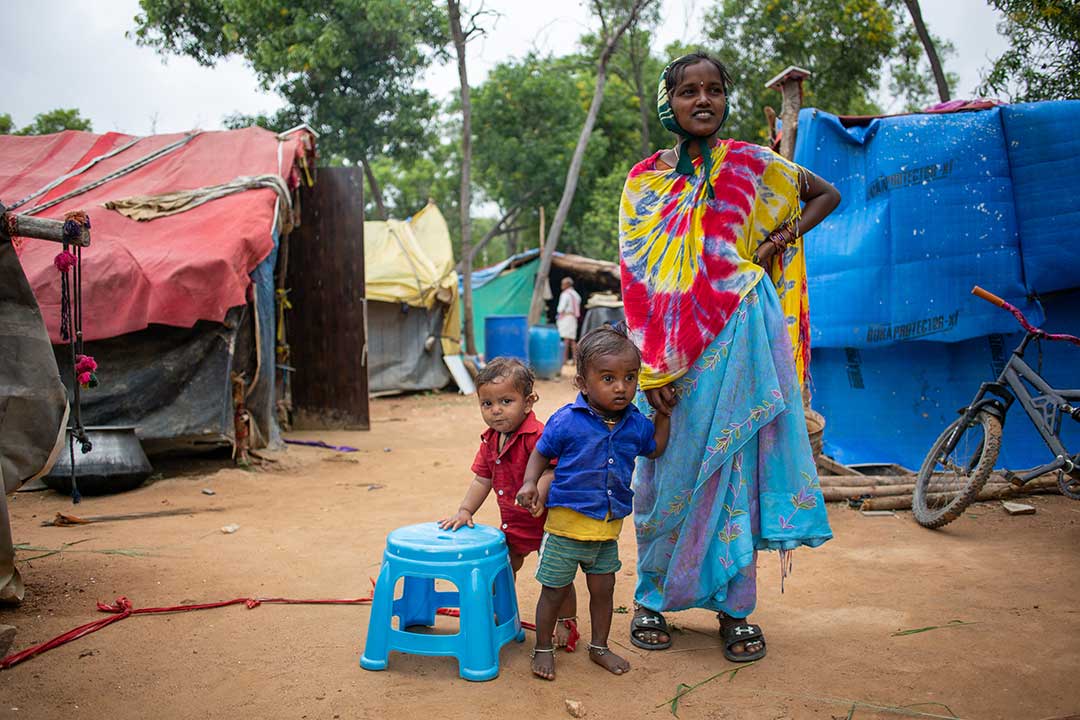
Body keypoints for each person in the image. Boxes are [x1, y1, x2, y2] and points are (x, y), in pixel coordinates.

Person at [620, 52, 839, 662]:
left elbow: (826, 195)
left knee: (734, 475)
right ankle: (652, 598)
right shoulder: (644, 181)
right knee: (666, 474)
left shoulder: (751, 163)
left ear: (725, 99)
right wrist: (653, 366)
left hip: (742, 337)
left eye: (714, 90)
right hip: (672, 357)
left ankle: (735, 611)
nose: (703, 101)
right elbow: (638, 280)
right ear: (670, 100)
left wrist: (774, 242)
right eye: (688, 91)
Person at [516, 325, 670, 680]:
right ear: (583, 383)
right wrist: (529, 483)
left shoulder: (635, 424)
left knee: (603, 592)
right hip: (565, 530)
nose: (621, 387)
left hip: (605, 533)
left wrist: (664, 414)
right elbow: (541, 453)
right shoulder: (567, 422)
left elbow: (656, 449)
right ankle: (542, 648)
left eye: (629, 377)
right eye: (608, 378)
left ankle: (599, 646)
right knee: (553, 593)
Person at [439, 357, 579, 649]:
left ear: (528, 402)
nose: (496, 410)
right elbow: (482, 479)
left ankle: (567, 620)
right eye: (487, 404)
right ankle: (501, 611)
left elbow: (553, 469)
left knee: (557, 578)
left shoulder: (538, 435)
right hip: (514, 523)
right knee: (504, 568)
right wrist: (465, 510)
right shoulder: (490, 439)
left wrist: (539, 493)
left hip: (547, 522)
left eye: (506, 401)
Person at [556, 277, 582, 365]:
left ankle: (564, 359)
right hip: (573, 318)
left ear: (567, 284)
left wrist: (559, 313)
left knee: (566, 339)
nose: (561, 286)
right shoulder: (576, 294)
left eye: (563, 284)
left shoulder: (565, 294)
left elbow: (560, 308)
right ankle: (575, 360)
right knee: (572, 339)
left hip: (567, 318)